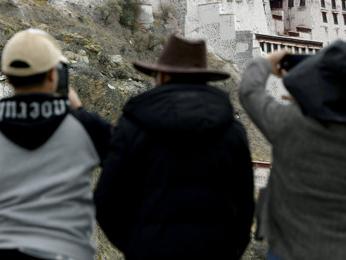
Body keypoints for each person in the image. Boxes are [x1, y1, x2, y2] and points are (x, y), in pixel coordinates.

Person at [0, 28, 112, 260]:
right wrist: (78, 110)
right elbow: (127, 167)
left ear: (7, 78)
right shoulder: (86, 128)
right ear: (54, 75)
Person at [94, 34, 254, 259]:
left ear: (161, 76)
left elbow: (107, 201)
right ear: (204, 80)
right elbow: (245, 207)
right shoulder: (233, 132)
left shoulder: (133, 127)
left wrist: (137, 246)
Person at [239, 40, 346, 260]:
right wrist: (311, 102)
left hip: (291, 250)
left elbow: (249, 91)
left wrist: (265, 62)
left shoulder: (291, 124)